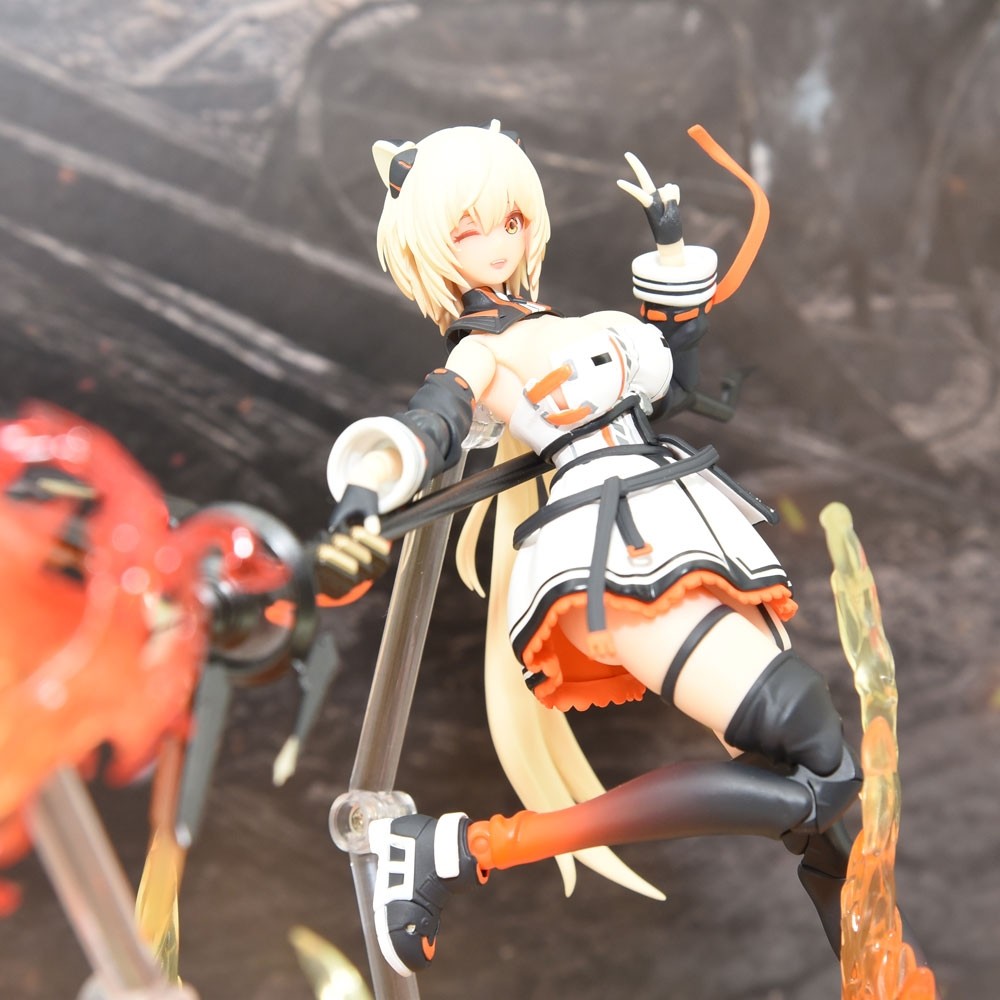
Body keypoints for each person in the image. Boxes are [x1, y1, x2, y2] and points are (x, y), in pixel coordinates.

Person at [324, 121, 860, 977]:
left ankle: (867, 949)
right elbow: (433, 425)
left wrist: (672, 250)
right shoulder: (482, 353)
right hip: (618, 546)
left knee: (822, 794)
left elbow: (672, 388)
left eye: (510, 219)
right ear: (428, 244)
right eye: (467, 228)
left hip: (682, 517)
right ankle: (461, 848)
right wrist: (365, 491)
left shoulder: (581, 324)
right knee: (809, 742)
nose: (497, 241)